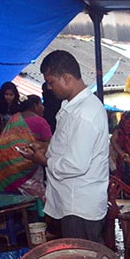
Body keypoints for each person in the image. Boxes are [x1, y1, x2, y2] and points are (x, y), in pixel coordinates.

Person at [21, 50, 110, 243]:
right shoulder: (71, 107)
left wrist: (42, 160)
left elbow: (76, 164)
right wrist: (45, 146)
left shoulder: (85, 113)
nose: (49, 88)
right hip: (70, 201)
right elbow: (69, 144)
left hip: (79, 205)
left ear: (67, 78)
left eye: (51, 82)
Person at [0, 95, 52, 195]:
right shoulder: (40, 121)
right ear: (35, 106)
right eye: (40, 104)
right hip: (30, 163)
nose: (43, 107)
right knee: (35, 195)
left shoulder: (14, 118)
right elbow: (50, 143)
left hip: (8, 163)